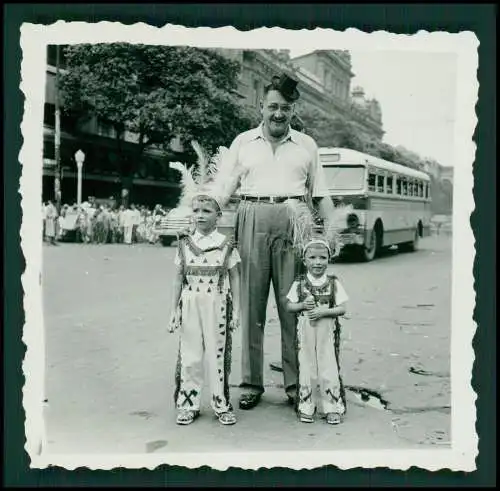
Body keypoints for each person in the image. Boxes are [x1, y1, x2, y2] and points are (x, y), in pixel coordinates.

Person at [213, 73, 338, 410]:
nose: (278, 113)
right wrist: (201, 220)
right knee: (251, 307)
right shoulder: (242, 143)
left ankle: (296, 386)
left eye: (285, 108)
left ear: (292, 110)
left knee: (292, 307)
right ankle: (251, 383)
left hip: (294, 220)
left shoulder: (307, 145)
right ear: (261, 107)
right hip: (251, 216)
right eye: (272, 107)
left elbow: (321, 193)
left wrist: (331, 233)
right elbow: (222, 191)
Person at [168, 189, 241, 426]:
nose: (200, 216)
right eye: (196, 210)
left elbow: (236, 278)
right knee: (190, 354)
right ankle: (188, 404)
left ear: (218, 215)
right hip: (190, 303)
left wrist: (237, 310)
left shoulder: (226, 245)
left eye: (207, 211)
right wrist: (173, 310)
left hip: (217, 303)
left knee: (216, 354)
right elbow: (178, 278)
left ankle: (220, 403)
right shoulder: (185, 244)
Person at [285, 237, 348, 425]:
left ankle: (332, 407)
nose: (317, 262)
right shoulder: (299, 283)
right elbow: (289, 306)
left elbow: (342, 308)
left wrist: (324, 311)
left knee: (328, 366)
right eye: (312, 258)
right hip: (305, 331)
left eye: (322, 258)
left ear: (329, 259)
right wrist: (302, 305)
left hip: (327, 331)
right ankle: (307, 405)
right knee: (307, 366)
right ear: (304, 261)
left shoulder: (333, 282)